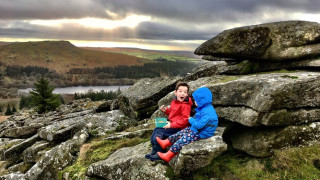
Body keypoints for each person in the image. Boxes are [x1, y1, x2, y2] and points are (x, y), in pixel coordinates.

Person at [156, 87, 218, 162]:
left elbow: (199, 125)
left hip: (202, 133)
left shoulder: (208, 113)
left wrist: (190, 119)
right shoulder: (205, 108)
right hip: (197, 129)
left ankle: (168, 155)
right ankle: (166, 142)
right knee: (180, 133)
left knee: (182, 140)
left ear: (202, 101)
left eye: (196, 100)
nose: (195, 102)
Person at [145, 82, 193, 161]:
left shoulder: (185, 106)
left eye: (185, 92)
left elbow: (185, 120)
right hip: (172, 124)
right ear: (175, 92)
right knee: (156, 129)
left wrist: (171, 125)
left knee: (159, 133)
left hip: (179, 128)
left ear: (187, 94)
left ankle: (159, 153)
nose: (183, 94)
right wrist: (166, 110)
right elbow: (172, 112)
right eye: (180, 91)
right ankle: (154, 149)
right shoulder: (174, 101)